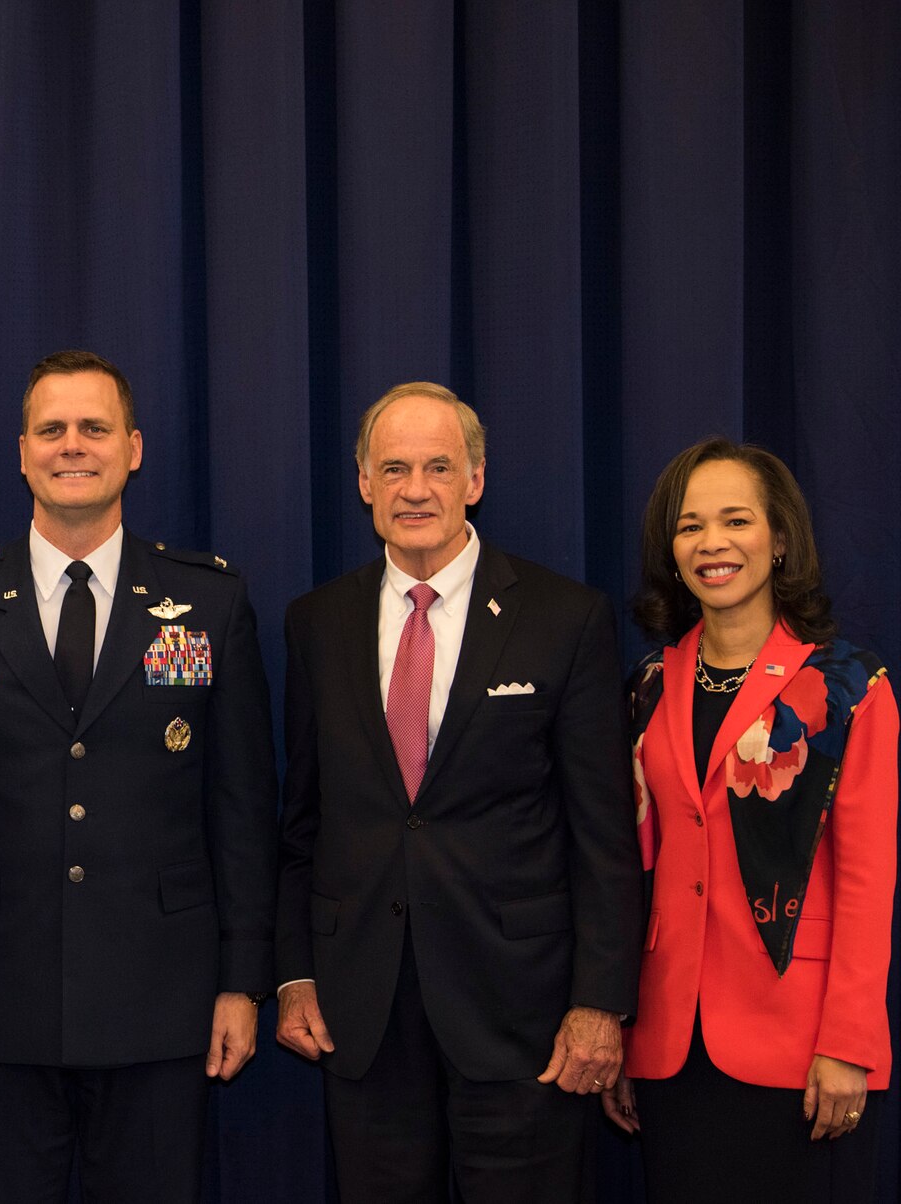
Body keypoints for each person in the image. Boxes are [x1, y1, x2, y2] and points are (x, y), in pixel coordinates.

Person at [0, 350, 280, 1202]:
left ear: (132, 448)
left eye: (94, 428)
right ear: (22, 452)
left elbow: (243, 808)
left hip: (162, 998)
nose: (74, 446)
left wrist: (242, 979)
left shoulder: (207, 602)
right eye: (52, 429)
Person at [274, 382, 642, 1201]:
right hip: (361, 1015)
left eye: (439, 467)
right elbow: (301, 824)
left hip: (523, 1019)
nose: (416, 489)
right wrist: (294, 975)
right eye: (394, 468)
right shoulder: (316, 624)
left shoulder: (565, 618)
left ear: (475, 479)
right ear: (364, 483)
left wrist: (601, 1003)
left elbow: (604, 836)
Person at [601, 438, 895, 1200]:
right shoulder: (644, 687)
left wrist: (851, 1042)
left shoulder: (848, 687)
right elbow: (632, 868)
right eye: (690, 525)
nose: (713, 544)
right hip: (669, 1042)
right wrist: (624, 1032)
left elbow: (867, 882)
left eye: (736, 521)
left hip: (797, 1044)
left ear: (781, 539)